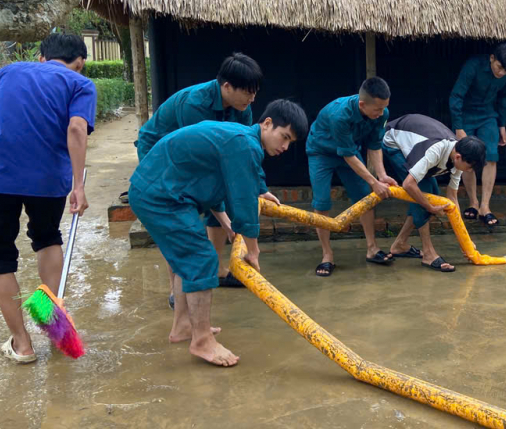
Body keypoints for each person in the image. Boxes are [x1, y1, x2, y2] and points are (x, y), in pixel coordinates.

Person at [127, 99, 307, 367]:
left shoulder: (242, 138)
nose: (284, 146)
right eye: (284, 137)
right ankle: (201, 340)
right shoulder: (243, 143)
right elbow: (243, 204)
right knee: (201, 258)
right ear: (267, 123)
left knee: (184, 260)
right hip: (160, 195)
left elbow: (241, 179)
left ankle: (183, 326)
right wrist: (253, 250)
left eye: (290, 142)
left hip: (163, 189)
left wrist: (258, 190)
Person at [0, 34, 96, 364]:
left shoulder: (6, 72)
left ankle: (22, 345)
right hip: (47, 180)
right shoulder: (80, 84)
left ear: (41, 57)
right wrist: (78, 186)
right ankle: (52, 324)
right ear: (79, 63)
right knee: (48, 238)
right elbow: (77, 130)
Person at [132, 53, 276, 304]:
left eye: (255, 93)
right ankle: (175, 289)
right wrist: (225, 217)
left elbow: (247, 151)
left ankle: (216, 270)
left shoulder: (243, 106)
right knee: (180, 221)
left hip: (198, 155)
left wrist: (260, 188)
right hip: (161, 153)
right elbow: (199, 162)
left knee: (216, 202)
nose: (252, 99)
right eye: (247, 92)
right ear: (227, 87)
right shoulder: (194, 104)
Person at [306, 77, 398, 277]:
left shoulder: (382, 112)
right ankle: (327, 255)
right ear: (362, 104)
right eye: (378, 109)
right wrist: (373, 182)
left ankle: (372, 248)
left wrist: (381, 176)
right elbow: (347, 155)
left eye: (384, 108)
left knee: (365, 197)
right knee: (321, 202)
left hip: (349, 150)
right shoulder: (340, 115)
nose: (382, 113)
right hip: (321, 151)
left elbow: (374, 145)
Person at [381, 114, 487, 272]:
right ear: (458, 157)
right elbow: (408, 184)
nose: (470, 171)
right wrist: (429, 207)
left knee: (432, 195)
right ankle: (428, 254)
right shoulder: (435, 150)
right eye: (469, 167)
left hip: (418, 143)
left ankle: (400, 245)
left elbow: (452, 199)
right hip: (392, 141)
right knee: (423, 195)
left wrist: (466, 241)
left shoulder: (458, 156)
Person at [449, 42, 506, 228]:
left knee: (491, 156)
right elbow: (456, 95)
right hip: (466, 115)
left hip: (488, 115)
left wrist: (502, 125)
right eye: (499, 67)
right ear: (492, 58)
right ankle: (472, 202)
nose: (502, 73)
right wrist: (458, 127)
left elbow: (505, 98)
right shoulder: (473, 66)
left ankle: (485, 207)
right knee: (468, 157)